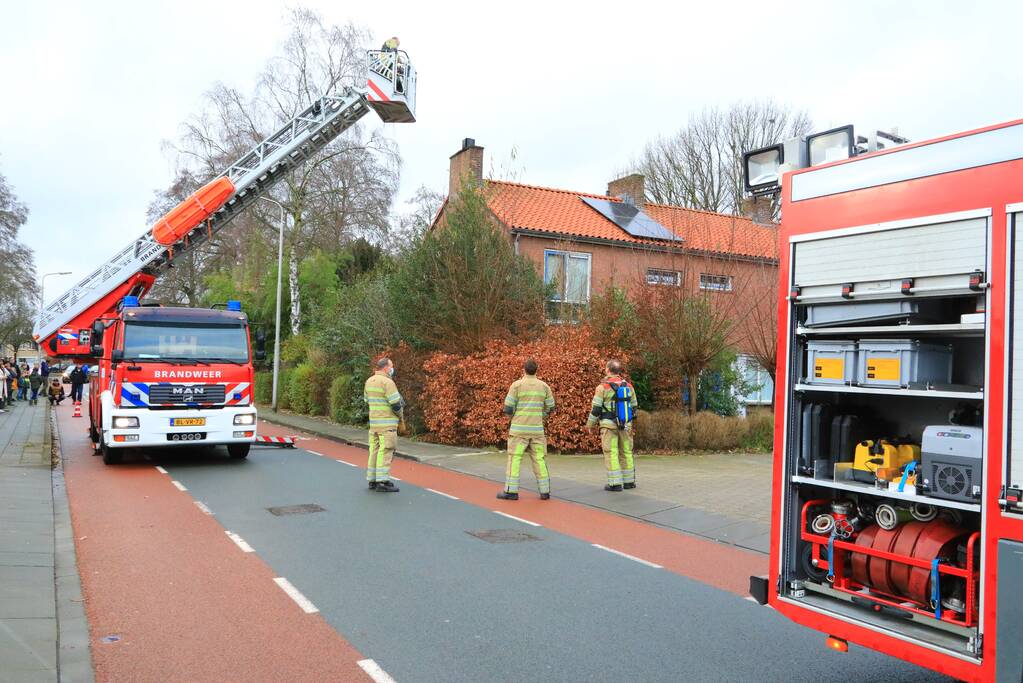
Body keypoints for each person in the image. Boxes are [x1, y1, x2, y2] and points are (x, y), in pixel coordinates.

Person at [497, 358, 555, 501]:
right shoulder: (544, 386)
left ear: (524, 369)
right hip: (537, 431)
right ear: (537, 370)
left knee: (514, 459)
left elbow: (508, 408)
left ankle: (511, 491)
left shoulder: (516, 385)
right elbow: (551, 406)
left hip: (518, 432)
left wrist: (513, 418)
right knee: (539, 459)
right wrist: (542, 416)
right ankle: (545, 491)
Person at [586, 359, 639, 492]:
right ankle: (629, 482)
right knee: (626, 451)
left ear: (608, 370)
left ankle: (615, 483)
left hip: (609, 426)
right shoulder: (629, 386)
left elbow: (596, 409)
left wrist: (590, 425)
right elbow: (634, 407)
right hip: (625, 424)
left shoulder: (602, 387)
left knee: (611, 452)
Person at [363, 357, 404, 493]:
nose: (393, 368)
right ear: (386, 368)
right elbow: (395, 404)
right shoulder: (388, 382)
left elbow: (366, 400)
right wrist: (400, 416)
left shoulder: (369, 381)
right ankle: (382, 481)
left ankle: (372, 480)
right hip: (387, 425)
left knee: (374, 451)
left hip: (374, 424)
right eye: (392, 366)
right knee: (386, 451)